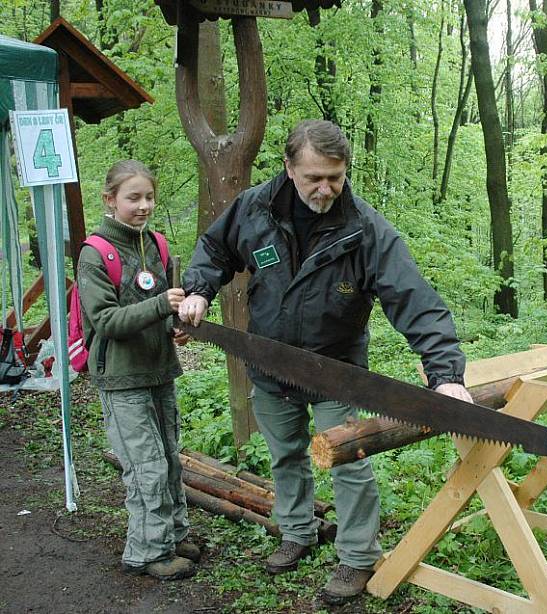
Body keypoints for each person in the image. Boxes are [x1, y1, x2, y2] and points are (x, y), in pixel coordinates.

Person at [179, 119, 472, 604]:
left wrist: (445, 375)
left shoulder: (364, 227)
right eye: (314, 177)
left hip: (338, 370)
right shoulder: (254, 208)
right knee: (285, 453)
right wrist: (198, 290)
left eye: (335, 177)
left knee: (348, 461)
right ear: (290, 167)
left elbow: (413, 297)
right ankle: (297, 530)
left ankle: (357, 557)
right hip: (270, 364)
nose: (325, 188)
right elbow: (215, 248)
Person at [77, 160, 200, 580]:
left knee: (169, 458)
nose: (143, 205)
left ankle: (173, 534)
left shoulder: (157, 246)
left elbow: (159, 313)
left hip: (158, 369)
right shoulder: (95, 253)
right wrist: (159, 305)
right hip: (120, 377)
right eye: (133, 198)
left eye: (149, 197)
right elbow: (105, 322)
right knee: (145, 466)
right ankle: (147, 551)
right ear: (110, 200)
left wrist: (174, 328)